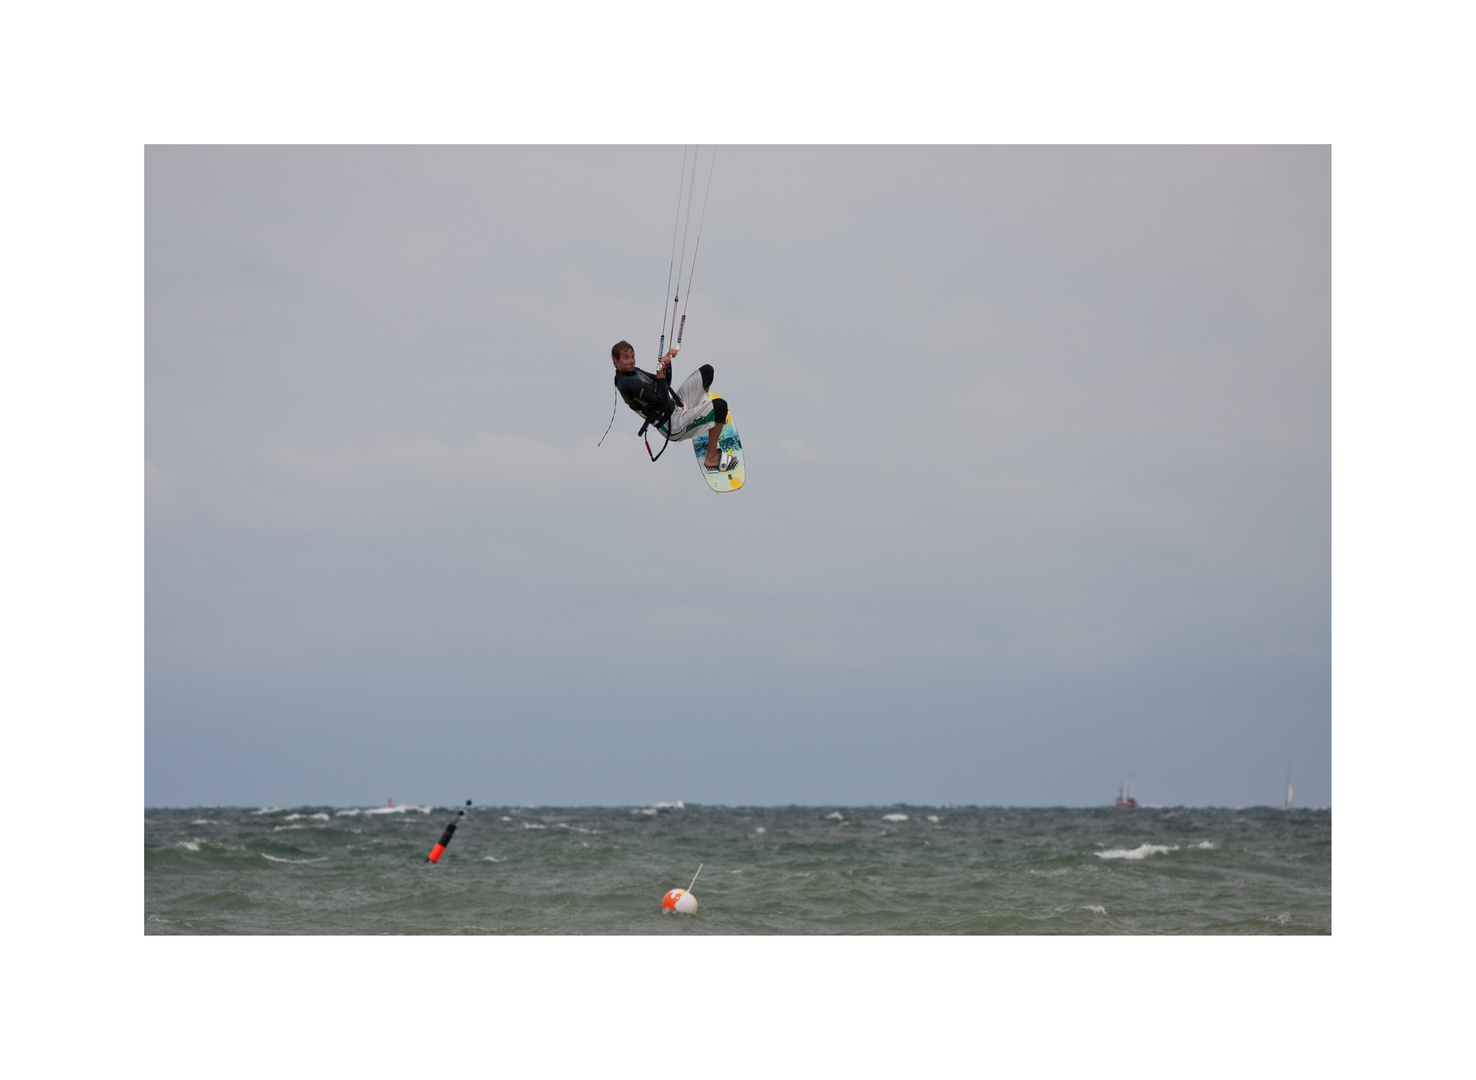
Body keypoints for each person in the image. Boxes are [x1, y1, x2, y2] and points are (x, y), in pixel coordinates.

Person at [610, 340, 733, 470]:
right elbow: (662, 401)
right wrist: (660, 375)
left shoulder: (634, 372)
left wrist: (666, 365)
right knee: (720, 406)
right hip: (672, 425)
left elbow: (664, 384)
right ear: (615, 360)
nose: (631, 361)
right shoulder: (626, 384)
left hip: (677, 406)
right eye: (626, 358)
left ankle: (701, 418)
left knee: (707, 371)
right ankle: (711, 458)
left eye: (632, 356)